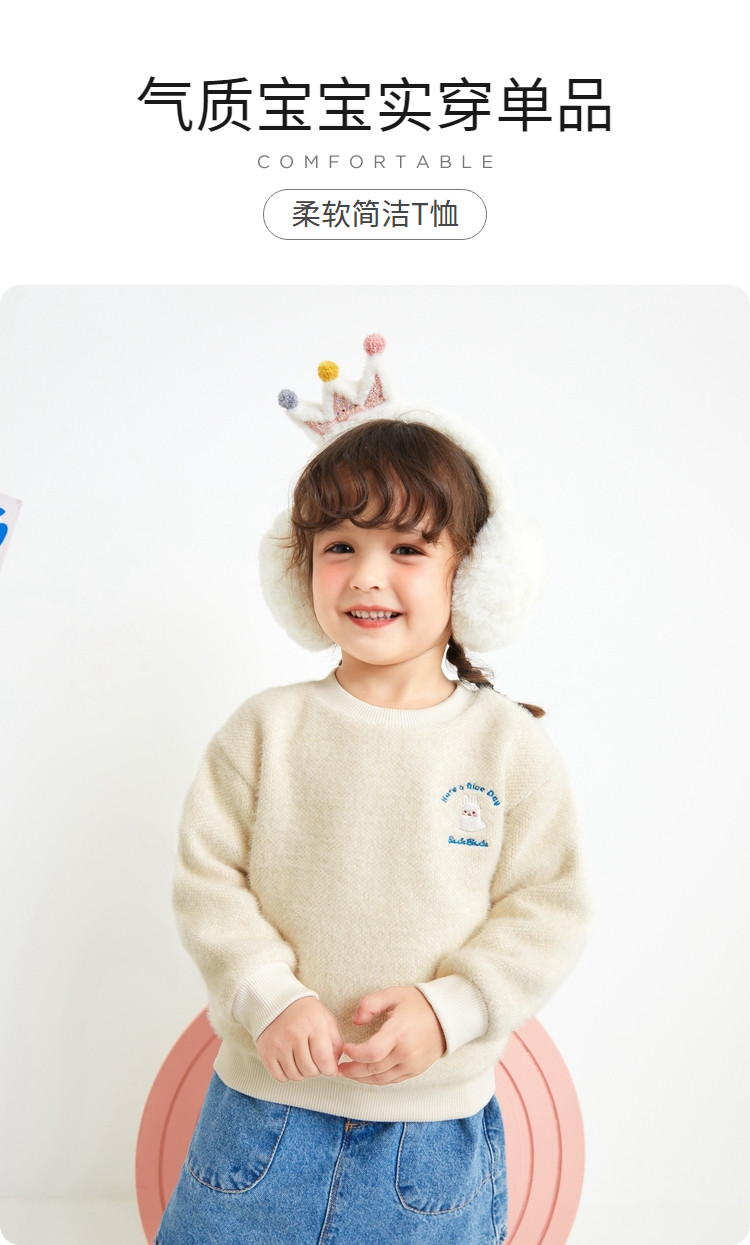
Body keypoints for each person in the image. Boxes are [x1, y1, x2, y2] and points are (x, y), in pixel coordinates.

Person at [155, 335, 590, 1245]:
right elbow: (208, 880)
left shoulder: (507, 746)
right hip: (261, 1119)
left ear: (474, 572)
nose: (366, 575)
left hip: (430, 1139)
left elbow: (547, 909)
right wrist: (269, 994)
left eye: (408, 547)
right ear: (300, 565)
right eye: (340, 544)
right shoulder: (265, 729)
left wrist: (450, 1007)